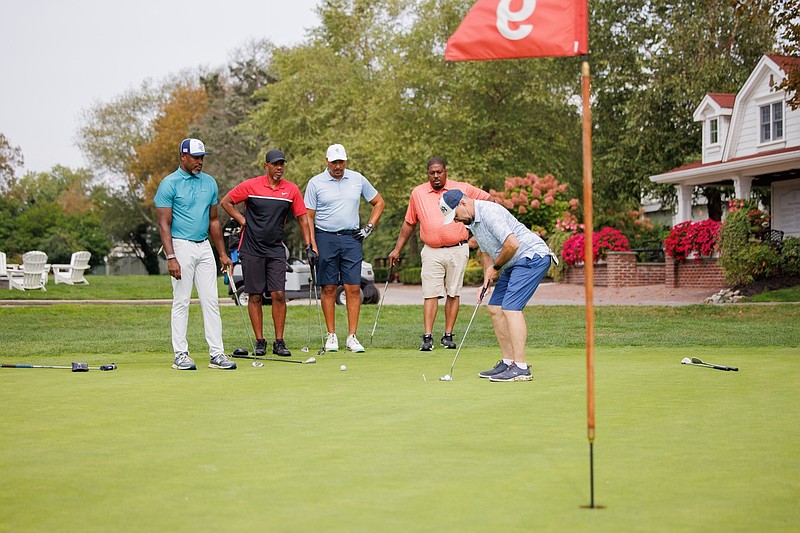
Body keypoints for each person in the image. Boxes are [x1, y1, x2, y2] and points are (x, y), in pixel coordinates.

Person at [439, 189, 558, 382]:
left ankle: (520, 368)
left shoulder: (489, 212)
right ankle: (508, 361)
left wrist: (495, 267)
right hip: (513, 262)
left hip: (532, 257)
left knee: (511, 308)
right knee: (494, 307)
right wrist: (488, 276)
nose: (455, 220)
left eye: (455, 216)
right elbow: (487, 252)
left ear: (463, 203)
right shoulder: (471, 221)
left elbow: (512, 244)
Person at [388, 157, 492, 351]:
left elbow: (488, 200)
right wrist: (397, 249)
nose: (435, 176)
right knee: (430, 294)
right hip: (431, 251)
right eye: (431, 173)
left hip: (458, 248)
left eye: (439, 172)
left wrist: (481, 228)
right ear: (427, 174)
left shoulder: (461, 189)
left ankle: (448, 336)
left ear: (446, 171)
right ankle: (427, 338)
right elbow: (409, 223)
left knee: (453, 292)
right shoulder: (418, 193)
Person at [220, 149, 316, 357]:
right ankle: (260, 341)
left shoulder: (291, 190)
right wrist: (242, 219)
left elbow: (302, 217)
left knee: (278, 294)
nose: (279, 167)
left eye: (282, 164)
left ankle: (279, 342)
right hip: (251, 248)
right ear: (267, 166)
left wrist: (310, 246)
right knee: (254, 295)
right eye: (275, 164)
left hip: (275, 248)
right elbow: (226, 202)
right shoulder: (251, 185)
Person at [155, 138, 236, 370]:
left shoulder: (209, 183)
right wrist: (171, 257)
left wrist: (222, 253)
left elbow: (213, 220)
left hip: (203, 246)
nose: (200, 161)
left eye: (202, 157)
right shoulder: (169, 184)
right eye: (195, 157)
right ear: (183, 157)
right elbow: (163, 224)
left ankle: (216, 354)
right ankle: (180, 354)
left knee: (211, 300)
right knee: (181, 300)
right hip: (181, 245)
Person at [305, 144, 385, 353]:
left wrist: (368, 228)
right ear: (327, 161)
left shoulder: (357, 179)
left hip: (351, 238)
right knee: (329, 287)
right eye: (334, 162)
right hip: (325, 237)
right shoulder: (316, 183)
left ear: (346, 162)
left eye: (341, 162)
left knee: (352, 287)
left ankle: (352, 336)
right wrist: (311, 244)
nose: (338, 166)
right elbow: (308, 216)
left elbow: (378, 203)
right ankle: (331, 335)